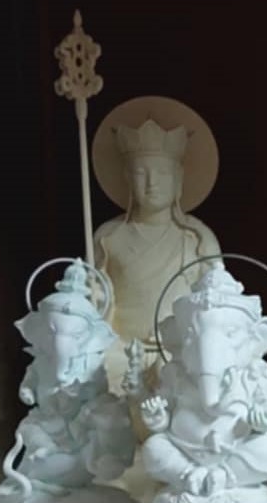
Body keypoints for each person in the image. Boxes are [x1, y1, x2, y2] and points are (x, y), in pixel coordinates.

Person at [94, 115, 221, 356]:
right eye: (141, 173)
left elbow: (219, 302)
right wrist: (92, 297)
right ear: (127, 177)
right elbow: (93, 303)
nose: (152, 183)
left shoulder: (197, 238)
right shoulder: (108, 236)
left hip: (180, 356)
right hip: (121, 354)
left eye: (162, 172)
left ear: (178, 177)